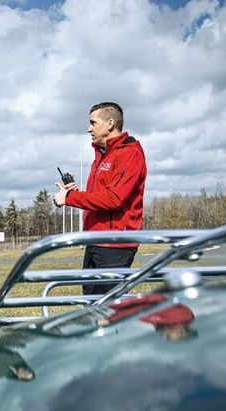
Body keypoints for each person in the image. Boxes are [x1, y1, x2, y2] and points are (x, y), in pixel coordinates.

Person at [53, 102, 147, 295]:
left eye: (93, 123)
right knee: (91, 301)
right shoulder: (101, 156)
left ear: (110, 123)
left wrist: (70, 197)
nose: (89, 129)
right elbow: (100, 198)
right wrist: (76, 193)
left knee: (108, 307)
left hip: (114, 245)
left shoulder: (130, 154)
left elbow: (114, 199)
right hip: (95, 241)